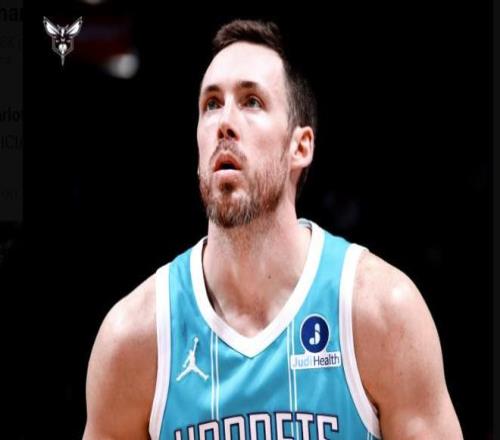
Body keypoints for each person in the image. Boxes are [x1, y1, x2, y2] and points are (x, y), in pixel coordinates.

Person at [83, 19, 463, 440]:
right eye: (211, 104)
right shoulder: (135, 340)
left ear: (300, 147)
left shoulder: (381, 314)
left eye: (251, 102)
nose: (225, 122)